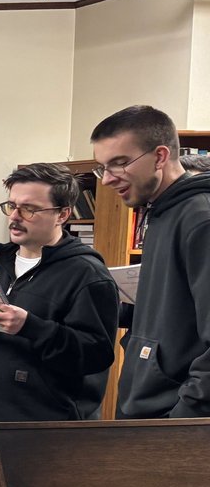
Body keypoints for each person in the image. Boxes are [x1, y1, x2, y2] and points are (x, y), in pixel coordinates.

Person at [0, 164, 119, 421]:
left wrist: (30, 326)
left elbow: (96, 355)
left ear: (62, 215)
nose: (14, 217)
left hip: (47, 424)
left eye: (29, 209)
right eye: (11, 206)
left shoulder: (87, 274)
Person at [90, 105, 210, 418]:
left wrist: (182, 419)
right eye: (102, 167)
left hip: (174, 425)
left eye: (118, 164)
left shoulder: (200, 218)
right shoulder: (161, 212)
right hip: (146, 414)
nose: (106, 180)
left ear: (159, 156)